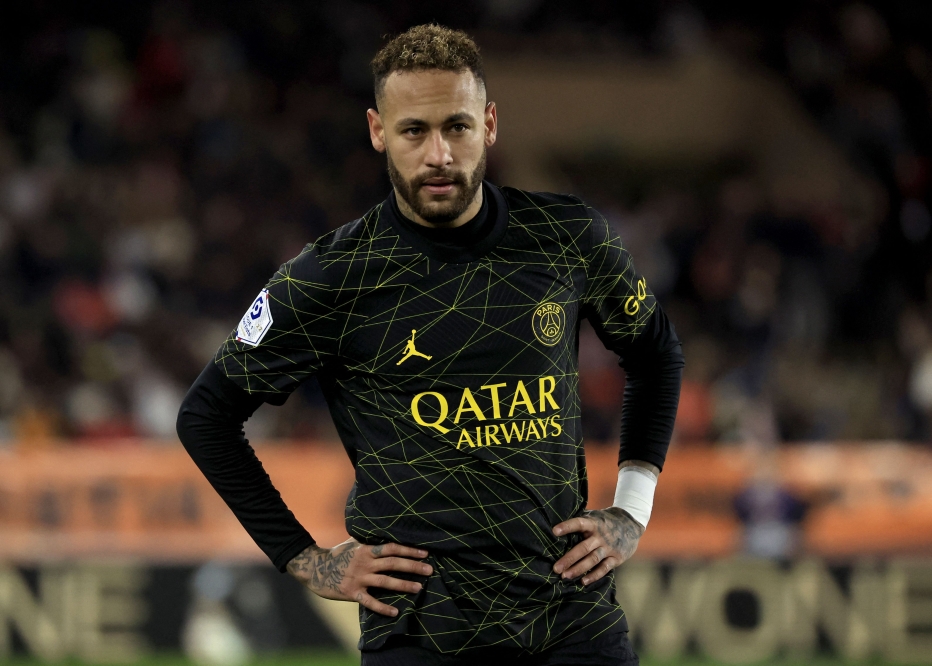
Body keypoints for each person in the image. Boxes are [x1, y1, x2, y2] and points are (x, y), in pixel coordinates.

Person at [176, 24, 683, 666]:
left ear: (490, 125)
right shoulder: (331, 276)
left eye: (458, 127)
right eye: (414, 130)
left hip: (572, 621)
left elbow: (656, 354)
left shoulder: (567, 237)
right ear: (378, 131)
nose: (439, 154)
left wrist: (632, 511)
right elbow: (205, 416)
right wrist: (305, 560)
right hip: (422, 634)